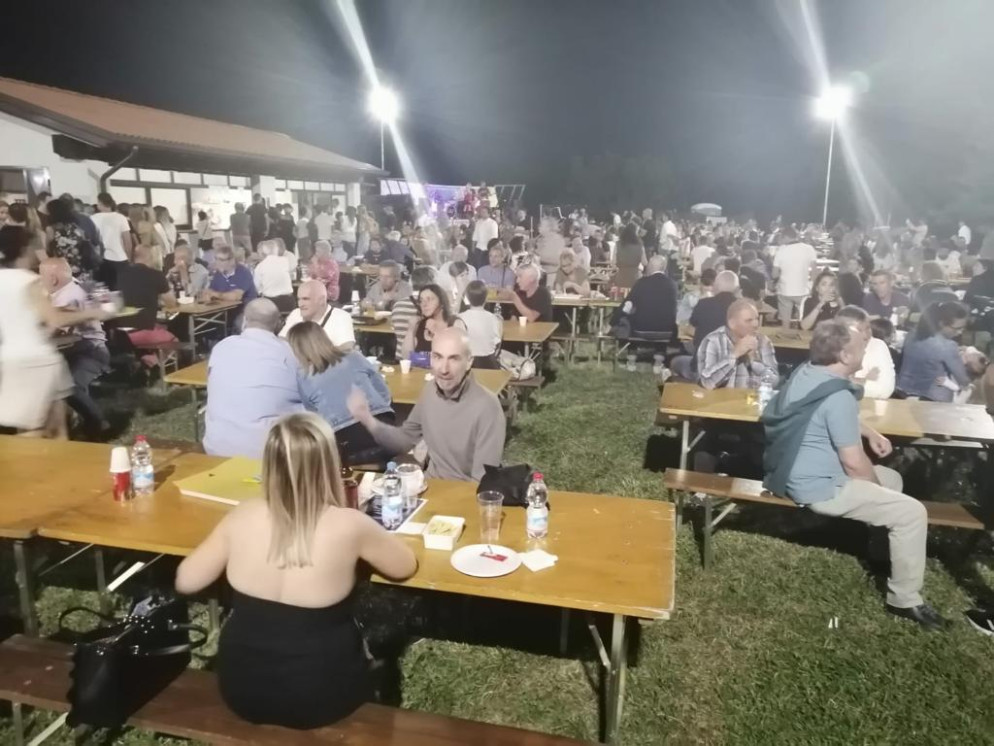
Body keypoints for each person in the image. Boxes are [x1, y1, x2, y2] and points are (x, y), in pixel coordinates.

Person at [177, 411, 416, 728]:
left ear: (269, 464)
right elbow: (404, 566)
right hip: (324, 697)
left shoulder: (242, 516)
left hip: (242, 690)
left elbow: (187, 580)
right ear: (328, 463)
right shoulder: (349, 525)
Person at [762, 319, 946, 630]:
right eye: (862, 346)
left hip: (790, 470)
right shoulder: (838, 397)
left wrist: (870, 431)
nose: (865, 350)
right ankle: (904, 600)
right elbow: (853, 463)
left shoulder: (808, 372)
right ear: (845, 356)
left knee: (894, 480)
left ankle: (881, 556)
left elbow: (827, 414)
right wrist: (876, 489)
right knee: (912, 512)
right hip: (818, 487)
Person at [348, 327, 505, 481]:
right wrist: (368, 419)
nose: (444, 369)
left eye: (453, 358)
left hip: (463, 493)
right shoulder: (430, 390)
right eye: (438, 357)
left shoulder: (487, 407)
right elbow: (405, 440)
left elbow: (482, 484)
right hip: (430, 486)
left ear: (469, 362)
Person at [0, 226, 109, 437]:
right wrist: (93, 312)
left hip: (10, 359)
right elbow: (55, 319)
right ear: (24, 249)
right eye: (35, 246)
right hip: (37, 360)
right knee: (43, 431)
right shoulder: (29, 281)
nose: (38, 251)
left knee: (47, 427)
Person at [204, 299, 306, 457]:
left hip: (216, 446)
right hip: (269, 450)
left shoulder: (221, 347)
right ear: (277, 324)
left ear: (244, 320)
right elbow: (308, 393)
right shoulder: (289, 352)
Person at [286, 322, 394, 462]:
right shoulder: (354, 356)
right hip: (384, 426)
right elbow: (384, 392)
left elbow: (315, 417)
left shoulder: (303, 378)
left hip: (346, 440)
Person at [40, 257, 111, 435]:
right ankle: (72, 423)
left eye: (42, 276)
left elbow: (55, 328)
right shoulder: (71, 290)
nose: (40, 281)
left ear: (53, 279)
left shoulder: (67, 297)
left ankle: (100, 424)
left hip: (90, 351)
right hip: (78, 350)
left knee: (69, 386)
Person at [897, 301, 970, 401]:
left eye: (963, 328)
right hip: (932, 399)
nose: (960, 332)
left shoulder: (911, 334)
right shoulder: (948, 346)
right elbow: (963, 380)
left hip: (903, 392)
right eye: (957, 328)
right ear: (942, 324)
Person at [697, 299, 777, 389]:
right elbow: (706, 382)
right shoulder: (713, 341)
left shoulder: (763, 341)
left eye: (756, 319)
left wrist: (753, 360)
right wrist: (734, 355)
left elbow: (774, 382)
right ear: (732, 324)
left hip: (751, 397)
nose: (756, 324)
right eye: (749, 320)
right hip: (720, 398)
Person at [118, 244, 179, 362]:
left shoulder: (120, 274)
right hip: (143, 332)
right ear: (149, 257)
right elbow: (171, 303)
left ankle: (145, 361)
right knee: (174, 342)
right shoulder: (156, 275)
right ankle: (152, 363)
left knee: (160, 327)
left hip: (121, 334)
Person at [837, 305, 895, 400]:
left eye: (868, 328)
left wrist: (846, 381)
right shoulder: (832, 346)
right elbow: (824, 384)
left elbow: (884, 389)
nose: (866, 335)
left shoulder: (878, 345)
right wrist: (863, 381)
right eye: (859, 330)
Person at [281, 279, 355, 349]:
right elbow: (281, 341)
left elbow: (346, 349)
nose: (300, 304)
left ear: (321, 300)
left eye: (306, 299)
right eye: (298, 299)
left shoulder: (340, 317)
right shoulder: (296, 313)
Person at [618, 255, 677, 335]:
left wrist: (614, 321)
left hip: (642, 328)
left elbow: (628, 305)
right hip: (667, 330)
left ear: (650, 267)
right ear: (664, 267)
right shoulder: (673, 284)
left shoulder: (641, 283)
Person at [401, 283, 463, 358]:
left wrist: (436, 333)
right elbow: (406, 357)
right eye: (421, 301)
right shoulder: (420, 323)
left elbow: (459, 356)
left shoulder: (455, 323)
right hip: (420, 366)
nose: (424, 304)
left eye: (429, 299)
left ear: (441, 302)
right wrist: (411, 329)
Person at [773, 228, 818, 328]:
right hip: (803, 290)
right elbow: (814, 271)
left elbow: (774, 274)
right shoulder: (809, 248)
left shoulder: (781, 250)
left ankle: (786, 334)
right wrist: (812, 286)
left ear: (785, 237)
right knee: (803, 321)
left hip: (785, 290)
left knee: (785, 323)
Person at [45, 196, 97, 282]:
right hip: (81, 268)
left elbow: (48, 251)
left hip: (62, 271)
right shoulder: (75, 227)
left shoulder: (51, 229)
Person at [90, 192, 133, 289]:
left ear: (100, 203)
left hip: (99, 259)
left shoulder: (93, 218)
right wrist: (129, 258)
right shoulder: (121, 218)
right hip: (119, 258)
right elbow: (127, 241)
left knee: (102, 290)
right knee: (121, 290)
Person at [458, 280, 502, 368]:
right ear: (486, 298)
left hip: (465, 364)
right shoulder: (493, 318)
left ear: (467, 298)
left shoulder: (459, 318)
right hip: (489, 364)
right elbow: (497, 342)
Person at [203, 245, 258, 311]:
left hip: (246, 310)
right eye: (216, 259)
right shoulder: (218, 273)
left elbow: (235, 297)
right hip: (225, 310)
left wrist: (215, 294)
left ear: (232, 260)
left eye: (221, 260)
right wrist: (207, 294)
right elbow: (209, 292)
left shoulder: (243, 272)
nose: (217, 262)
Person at [253, 239, 295, 313]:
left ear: (263, 252)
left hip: (270, 302)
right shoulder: (285, 261)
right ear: (276, 250)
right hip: (288, 301)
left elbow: (256, 287)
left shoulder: (260, 266)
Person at [613, 222, 646, 289]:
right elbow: (644, 262)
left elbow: (613, 262)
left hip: (621, 277)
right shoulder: (640, 245)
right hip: (635, 277)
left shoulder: (617, 244)